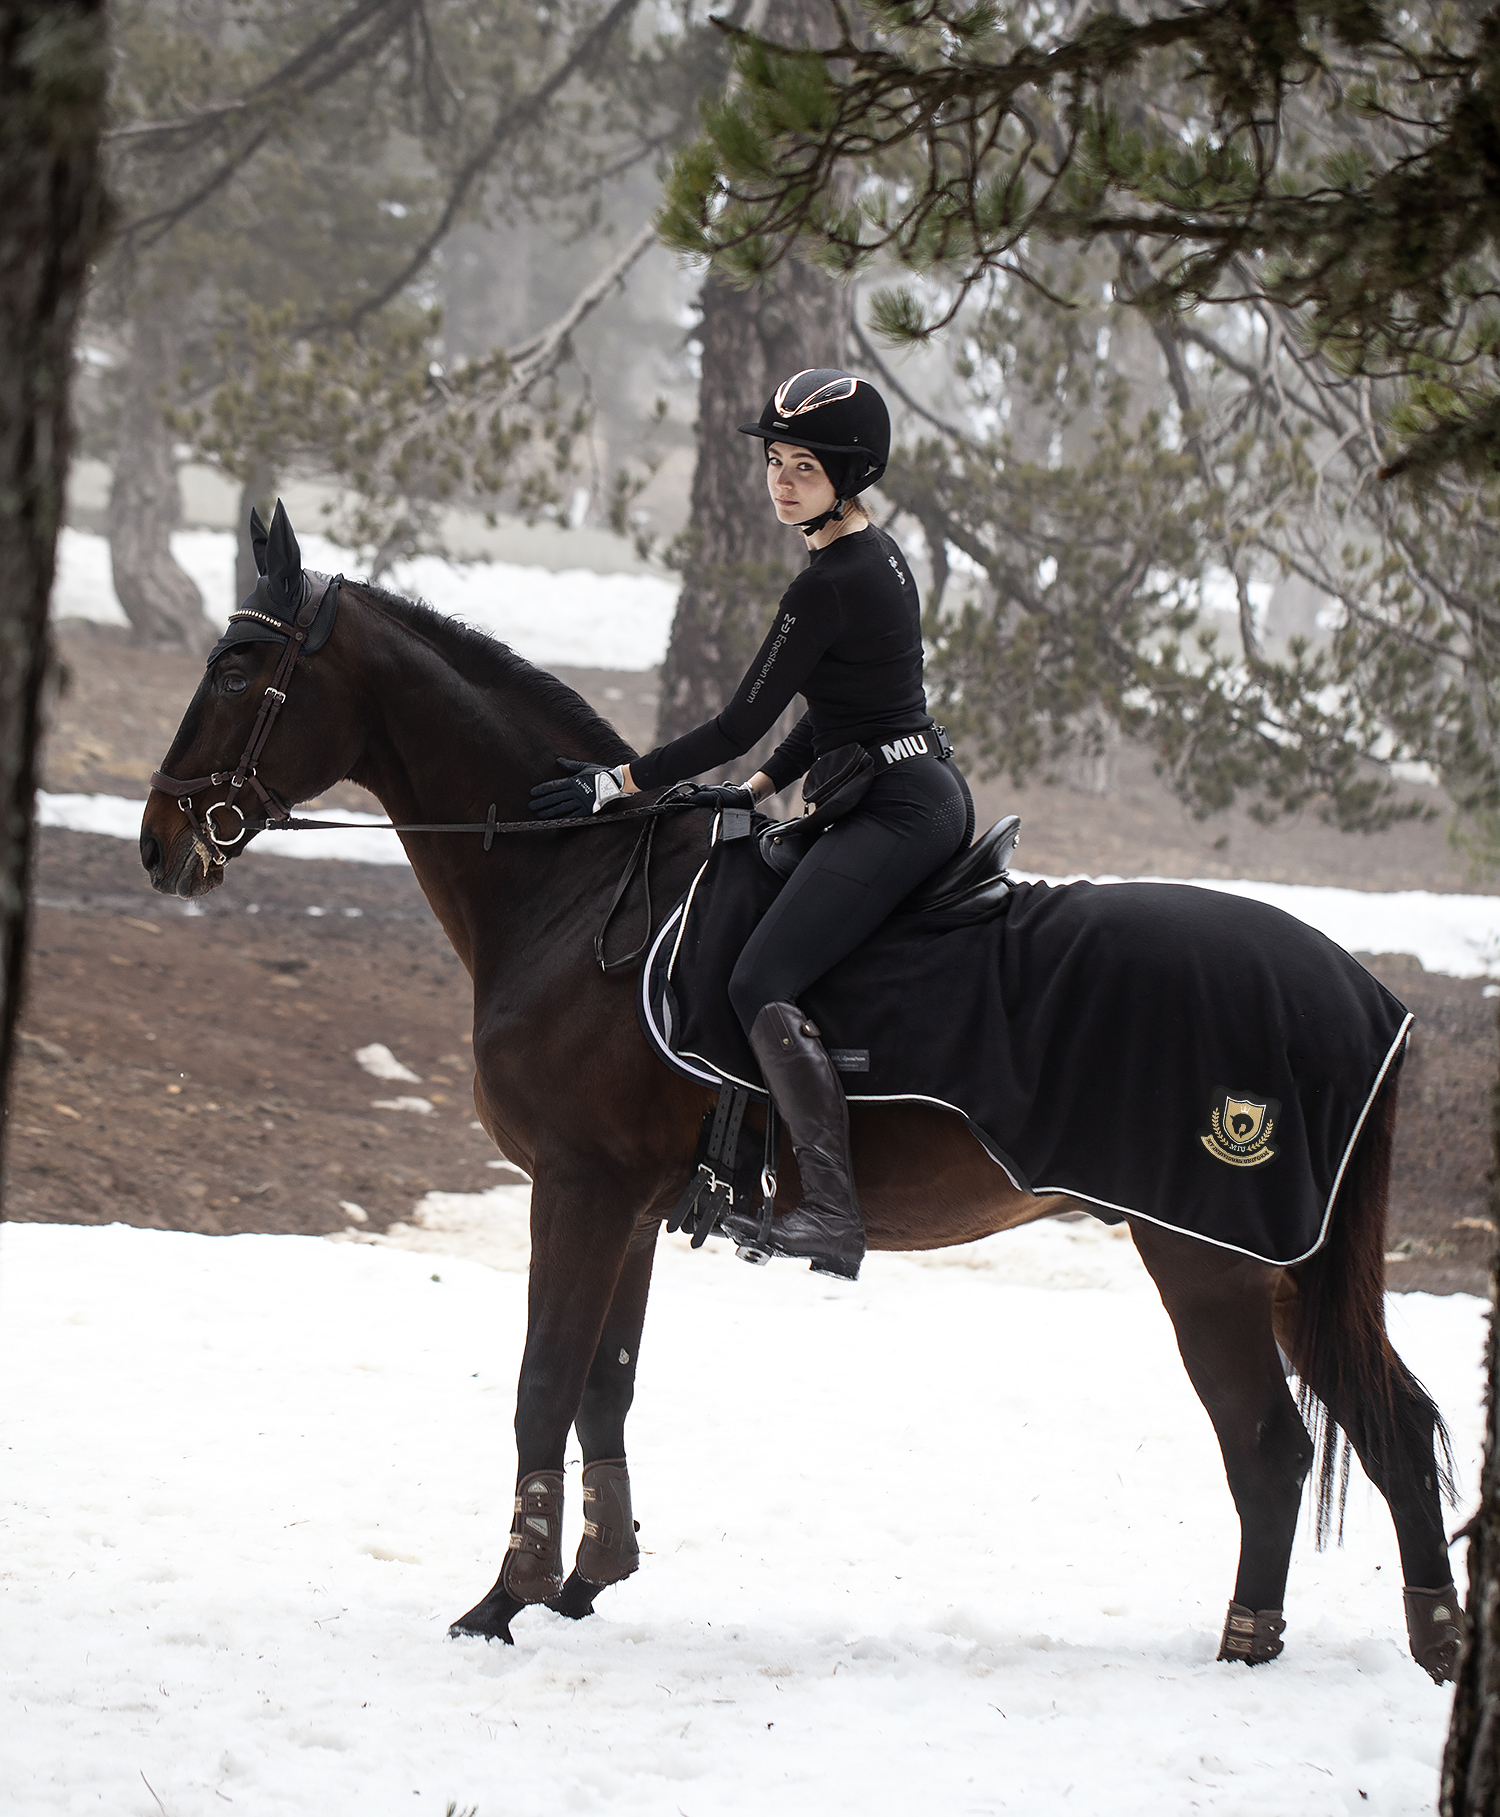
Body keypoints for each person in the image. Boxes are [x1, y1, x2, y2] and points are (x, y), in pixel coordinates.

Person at [530, 369, 972, 1281]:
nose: (780, 481)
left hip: (898, 810)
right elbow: (847, 704)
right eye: (774, 462)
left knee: (760, 974)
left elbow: (736, 720)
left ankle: (831, 1211)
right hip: (910, 785)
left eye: (803, 467)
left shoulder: (828, 584)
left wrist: (618, 782)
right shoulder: (872, 553)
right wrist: (763, 783)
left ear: (846, 475)